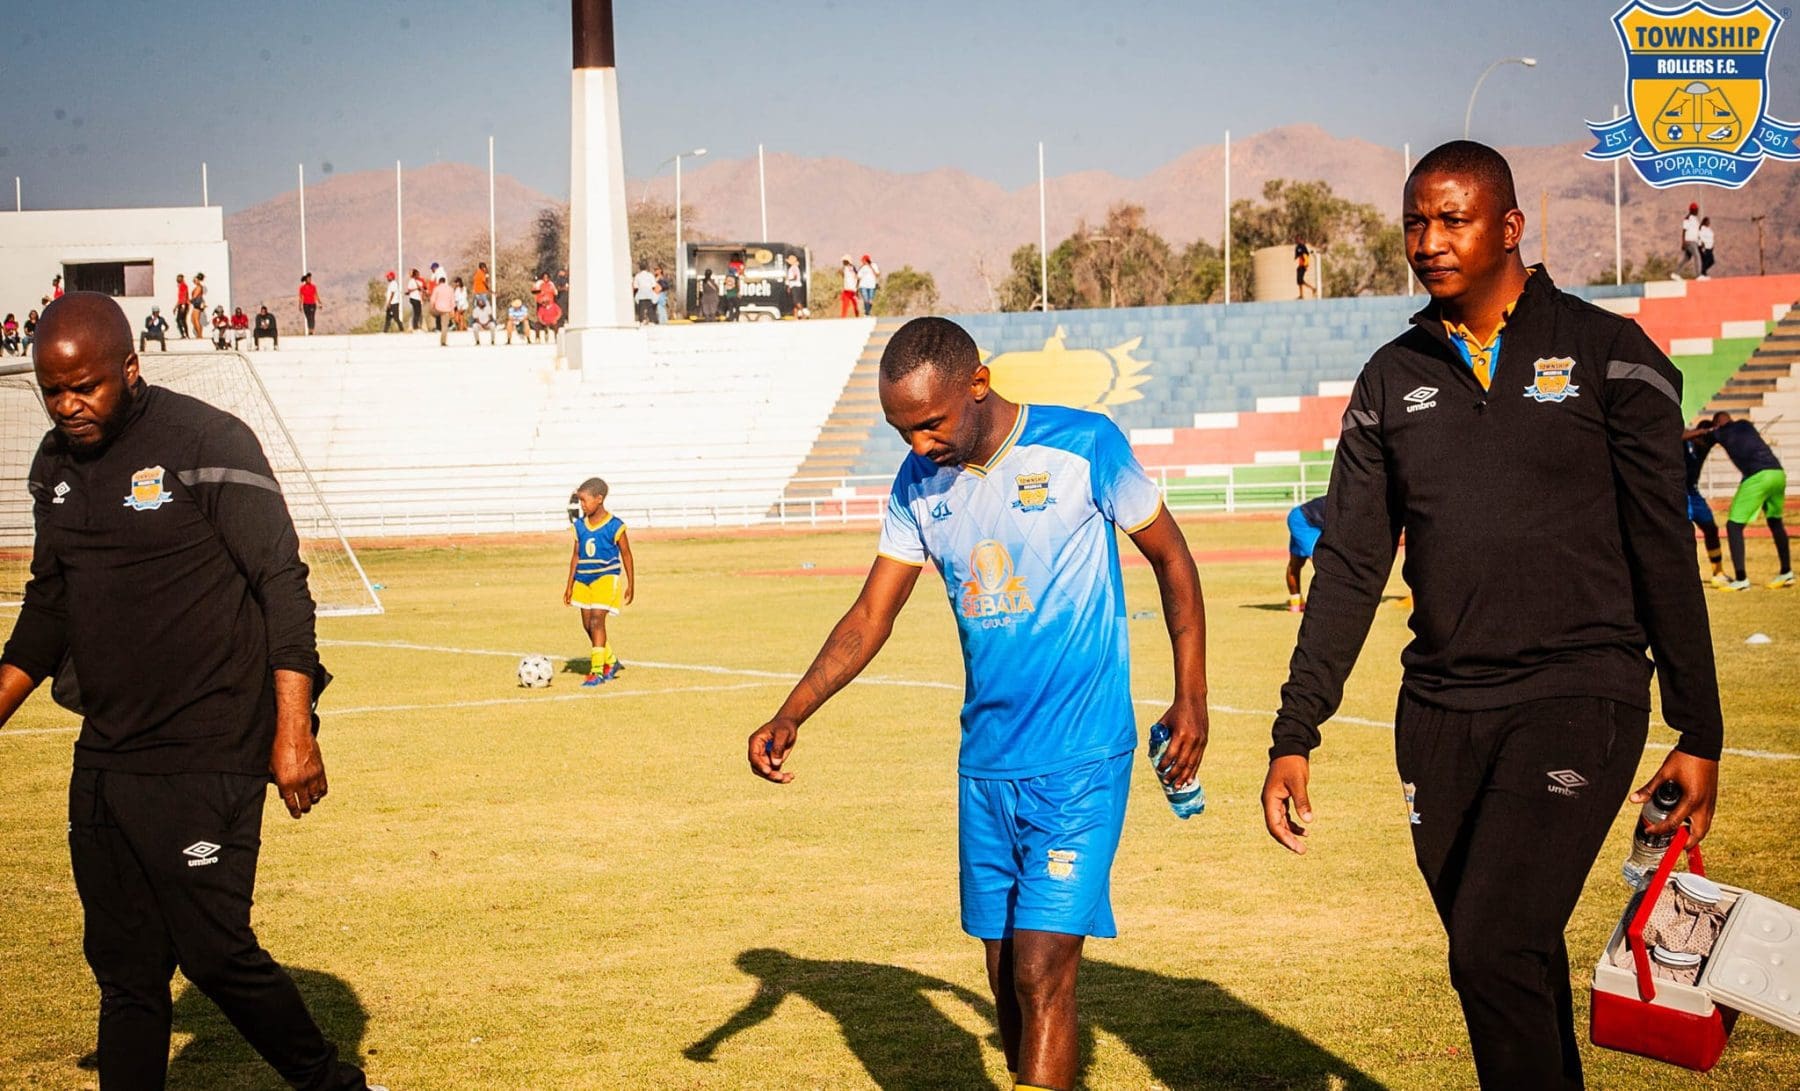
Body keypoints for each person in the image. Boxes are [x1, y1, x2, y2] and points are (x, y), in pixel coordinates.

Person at [1260, 141, 1722, 1091]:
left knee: (1490, 944)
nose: (1429, 240)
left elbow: (1661, 544)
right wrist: (1294, 726)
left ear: (1510, 226)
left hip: (1576, 693)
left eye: (1453, 218)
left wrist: (1699, 725)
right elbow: (1349, 562)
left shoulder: (1609, 354)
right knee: (1512, 960)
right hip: (1437, 717)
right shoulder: (1390, 379)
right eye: (1415, 222)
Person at [746, 316, 1209, 1091]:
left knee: (1041, 968)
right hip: (987, 766)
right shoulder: (917, 484)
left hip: (1083, 756)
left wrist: (1191, 694)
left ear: (979, 384)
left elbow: (1173, 559)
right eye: (902, 430)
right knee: (1004, 976)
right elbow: (870, 616)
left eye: (930, 422)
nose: (918, 444)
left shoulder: (1083, 445)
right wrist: (792, 711)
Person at [0, 292, 381, 1091]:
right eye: (53, 390)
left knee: (212, 950)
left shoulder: (206, 441)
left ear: (131, 370)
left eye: (87, 388)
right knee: (127, 970)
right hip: (108, 755)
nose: (69, 407)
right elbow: (51, 604)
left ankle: (329, 1083)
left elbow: (283, 583)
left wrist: (294, 730)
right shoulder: (53, 466)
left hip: (211, 746)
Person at [1687, 411, 1792, 590]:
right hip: (1777, 473)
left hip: (1758, 476)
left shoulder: (1719, 432)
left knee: (1734, 526)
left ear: (1717, 424)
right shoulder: (1745, 424)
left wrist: (1707, 431)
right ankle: (1787, 573)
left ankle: (1741, 579)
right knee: (1775, 522)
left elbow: (1703, 434)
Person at [563, 478, 634, 686]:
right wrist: (569, 585)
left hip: (606, 577)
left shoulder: (615, 526)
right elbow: (576, 556)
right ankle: (610, 661)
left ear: (599, 499)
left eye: (584, 501)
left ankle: (597, 672)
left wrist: (631, 583)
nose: (582, 505)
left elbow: (627, 555)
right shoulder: (579, 526)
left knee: (596, 621)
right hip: (583, 579)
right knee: (587, 625)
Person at [1684, 424, 1726, 585]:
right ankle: (1687, 574)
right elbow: (1678, 434)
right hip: (1679, 493)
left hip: (1693, 494)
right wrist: (1699, 432)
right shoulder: (1682, 443)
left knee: (1711, 528)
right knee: (1685, 534)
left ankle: (1718, 571)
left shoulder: (1703, 447)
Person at [1284, 493, 1326, 612]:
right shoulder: (1343, 505)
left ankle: (1296, 602)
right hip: (1302, 521)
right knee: (1323, 562)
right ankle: (1328, 601)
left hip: (1301, 518)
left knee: (1296, 564)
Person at [1677, 202, 1702, 279]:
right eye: (1696, 210)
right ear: (1692, 210)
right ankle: (1698, 275)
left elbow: (1696, 232)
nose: (1697, 211)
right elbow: (1684, 230)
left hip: (1694, 241)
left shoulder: (1695, 220)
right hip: (1689, 241)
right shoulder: (1687, 219)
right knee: (1697, 256)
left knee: (1686, 258)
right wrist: (1683, 242)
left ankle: (1675, 273)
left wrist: (1699, 242)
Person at [430, 276, 456, 346]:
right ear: (445, 281)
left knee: (431, 316)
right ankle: (443, 341)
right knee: (444, 326)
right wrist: (452, 310)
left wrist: (432, 308)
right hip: (446, 310)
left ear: (439, 282)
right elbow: (453, 301)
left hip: (437, 309)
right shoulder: (450, 289)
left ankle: (433, 327)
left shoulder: (436, 288)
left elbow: (432, 300)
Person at [785, 254, 807, 318]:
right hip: (793, 286)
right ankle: (795, 316)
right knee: (794, 302)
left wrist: (788, 279)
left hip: (796, 286)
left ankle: (803, 313)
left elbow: (795, 277)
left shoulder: (794, 268)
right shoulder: (792, 268)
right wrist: (789, 286)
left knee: (796, 301)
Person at [187, 273, 208, 338]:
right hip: (196, 304)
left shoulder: (199, 287)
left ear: (198, 280)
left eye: (196, 280)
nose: (194, 281)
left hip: (197, 304)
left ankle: (199, 335)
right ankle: (199, 334)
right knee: (193, 319)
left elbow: (195, 296)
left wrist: (189, 301)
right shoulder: (198, 286)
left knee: (195, 319)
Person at [173, 273, 190, 340]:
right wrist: (176, 307)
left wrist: (183, 306)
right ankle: (184, 335)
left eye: (179, 278)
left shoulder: (183, 285)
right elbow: (180, 299)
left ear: (182, 278)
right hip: (181, 304)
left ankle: (185, 334)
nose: (177, 279)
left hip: (184, 304)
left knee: (181, 320)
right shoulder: (180, 286)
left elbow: (184, 296)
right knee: (181, 320)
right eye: (177, 278)